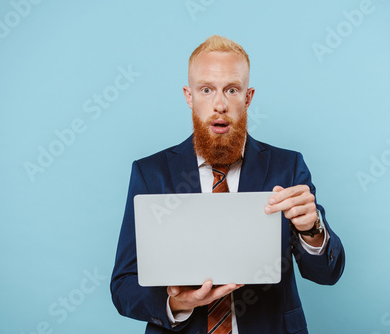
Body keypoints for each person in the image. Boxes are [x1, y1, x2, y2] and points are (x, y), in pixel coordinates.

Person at [111, 35, 345, 334]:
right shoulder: (150, 172)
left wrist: (311, 229)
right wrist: (179, 304)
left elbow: (327, 274)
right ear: (189, 96)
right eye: (206, 89)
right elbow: (123, 286)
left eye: (231, 90)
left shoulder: (288, 166)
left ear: (247, 97)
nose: (219, 104)